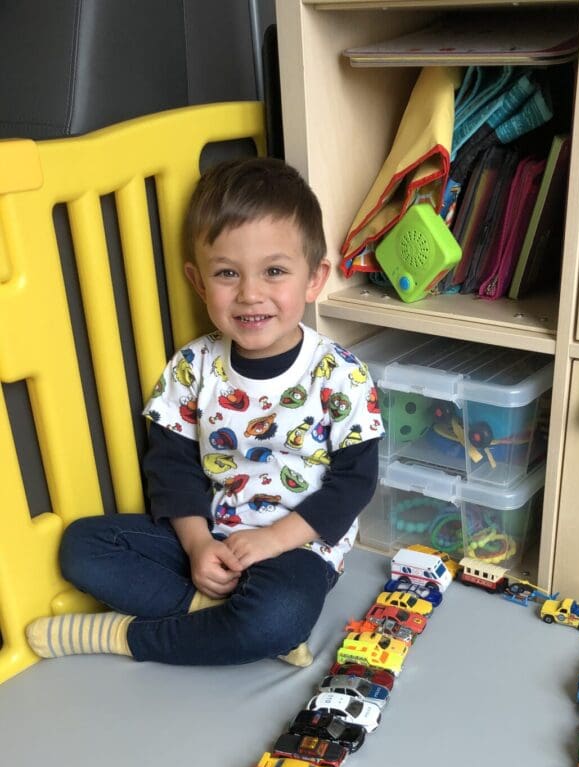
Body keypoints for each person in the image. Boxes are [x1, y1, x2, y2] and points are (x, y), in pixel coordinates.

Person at [26, 157, 383, 668]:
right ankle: (216, 618)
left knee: (279, 615)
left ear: (314, 278)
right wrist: (196, 546)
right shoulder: (193, 367)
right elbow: (170, 467)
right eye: (227, 274)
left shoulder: (340, 376)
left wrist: (271, 541)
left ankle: (128, 637)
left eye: (274, 271)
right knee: (82, 547)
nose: (250, 293)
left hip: (296, 548)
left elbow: (353, 486)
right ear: (198, 282)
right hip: (208, 535)